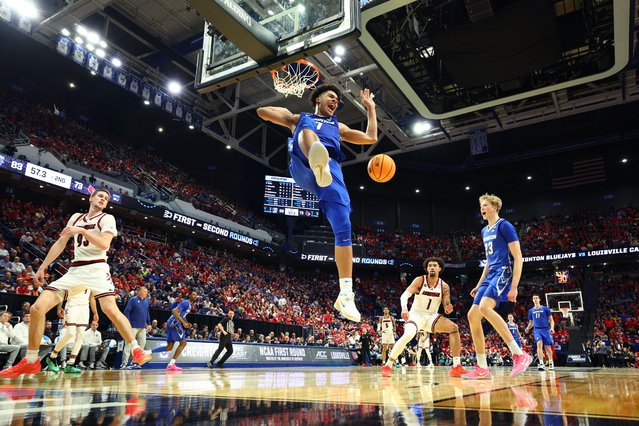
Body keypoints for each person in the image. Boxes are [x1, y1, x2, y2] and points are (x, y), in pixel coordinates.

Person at [257, 86, 378, 322]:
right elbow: (262, 111)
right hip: (303, 164)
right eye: (331, 97)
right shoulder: (299, 118)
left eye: (338, 100)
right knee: (304, 127)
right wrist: (285, 110)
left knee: (343, 226)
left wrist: (371, 109)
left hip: (330, 170)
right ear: (317, 98)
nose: (335, 101)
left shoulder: (339, 127)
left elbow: (371, 137)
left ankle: (345, 295)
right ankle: (316, 156)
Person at [0, 189, 151, 378]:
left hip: (97, 268)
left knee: (110, 309)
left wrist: (81, 231)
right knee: (37, 308)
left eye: (106, 198)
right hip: (75, 270)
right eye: (100, 196)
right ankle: (31, 360)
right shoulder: (76, 217)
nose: (103, 199)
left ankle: (136, 349)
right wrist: (42, 267)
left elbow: (104, 244)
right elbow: (60, 243)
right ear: (91, 198)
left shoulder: (107, 218)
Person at [462, 194, 533, 380]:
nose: (481, 208)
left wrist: (514, 286)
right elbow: (487, 261)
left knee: (485, 308)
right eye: (480, 206)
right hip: (491, 272)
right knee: (472, 315)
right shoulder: (485, 230)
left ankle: (519, 354)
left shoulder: (505, 225)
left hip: (503, 271)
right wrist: (479, 285)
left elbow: (518, 257)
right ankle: (482, 367)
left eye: (484, 205)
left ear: (495, 207)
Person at [381, 257, 468, 378]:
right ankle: (388, 365)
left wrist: (448, 307)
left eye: (434, 265)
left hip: (432, 317)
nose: (432, 267)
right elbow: (404, 295)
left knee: (453, 328)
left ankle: (456, 366)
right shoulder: (420, 280)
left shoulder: (444, 286)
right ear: (427, 268)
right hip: (416, 315)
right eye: (430, 265)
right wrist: (404, 308)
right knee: (408, 334)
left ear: (440, 268)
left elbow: (446, 303)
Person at [46, 288, 99, 374]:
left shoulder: (91, 280)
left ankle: (71, 363)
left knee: (80, 336)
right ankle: (52, 356)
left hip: (85, 309)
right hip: (72, 306)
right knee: (70, 333)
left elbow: (91, 297)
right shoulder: (74, 276)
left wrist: (95, 312)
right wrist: (59, 307)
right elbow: (62, 293)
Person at [151, 291, 198, 372]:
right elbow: (174, 312)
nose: (195, 296)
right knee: (183, 343)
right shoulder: (186, 302)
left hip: (173, 322)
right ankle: (171, 365)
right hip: (174, 323)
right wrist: (183, 322)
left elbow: (182, 315)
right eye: (193, 294)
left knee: (169, 347)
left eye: (196, 295)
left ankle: (147, 352)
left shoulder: (190, 305)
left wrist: (186, 323)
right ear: (189, 295)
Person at [120, 286, 151, 369]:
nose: (146, 293)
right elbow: (126, 311)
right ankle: (124, 364)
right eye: (145, 291)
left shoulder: (146, 301)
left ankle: (135, 362)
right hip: (133, 326)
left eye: (146, 291)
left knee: (141, 344)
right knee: (129, 344)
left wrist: (149, 323)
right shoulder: (133, 300)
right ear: (140, 292)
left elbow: (147, 313)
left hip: (142, 327)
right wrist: (128, 323)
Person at [525, 294, 555, 371]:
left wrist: (552, 328)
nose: (535, 299)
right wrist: (527, 328)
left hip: (546, 329)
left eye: (536, 298)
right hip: (537, 330)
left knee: (547, 347)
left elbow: (551, 320)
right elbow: (531, 322)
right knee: (539, 344)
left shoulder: (545, 309)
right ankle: (541, 363)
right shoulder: (531, 311)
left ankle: (551, 362)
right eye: (533, 298)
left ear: (539, 299)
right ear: (532, 300)